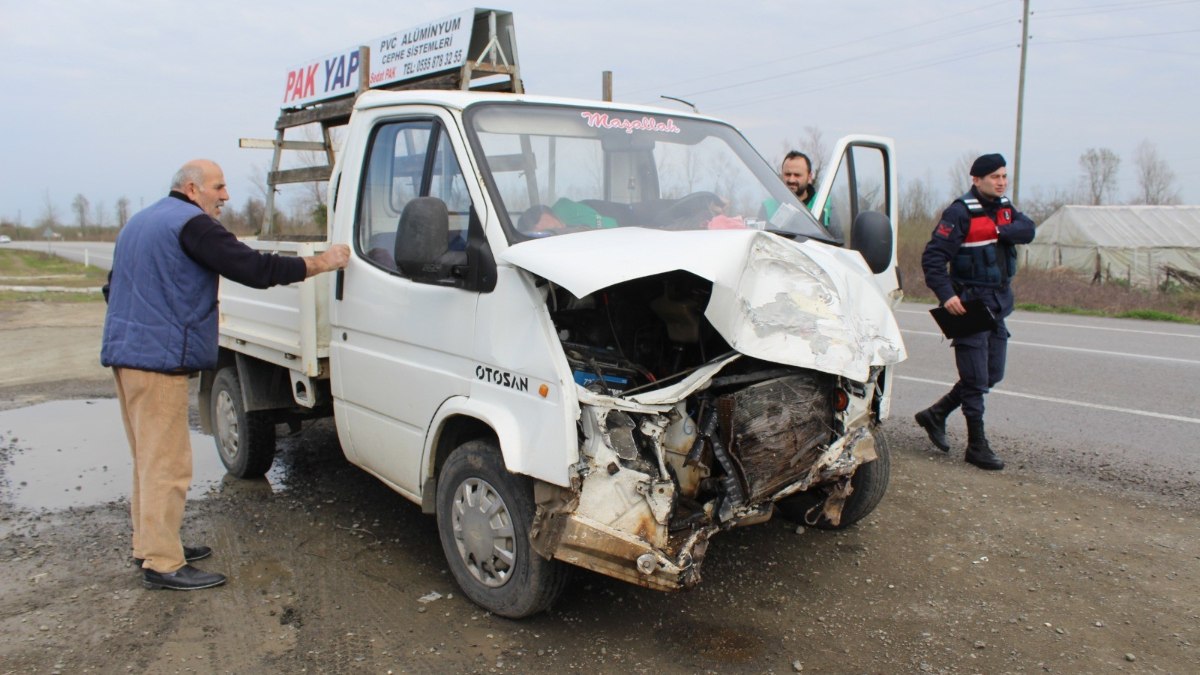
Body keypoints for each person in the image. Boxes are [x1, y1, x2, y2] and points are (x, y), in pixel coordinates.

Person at [102, 159, 349, 590]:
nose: (225, 195)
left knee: (147, 458)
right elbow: (253, 268)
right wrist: (321, 263)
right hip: (157, 365)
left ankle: (151, 544)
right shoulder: (191, 225)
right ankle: (162, 563)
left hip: (127, 358)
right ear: (193, 188)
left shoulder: (140, 223)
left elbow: (112, 288)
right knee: (168, 464)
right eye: (219, 186)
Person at [914, 153, 1036, 471]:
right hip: (968, 304)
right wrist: (947, 296)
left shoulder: (1005, 209)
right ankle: (976, 446)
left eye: (1004, 176)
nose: (1001, 182)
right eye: (994, 176)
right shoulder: (959, 213)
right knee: (975, 378)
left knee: (993, 373)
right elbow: (933, 259)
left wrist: (998, 231)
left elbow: (1028, 230)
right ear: (976, 179)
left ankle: (936, 414)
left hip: (997, 304)